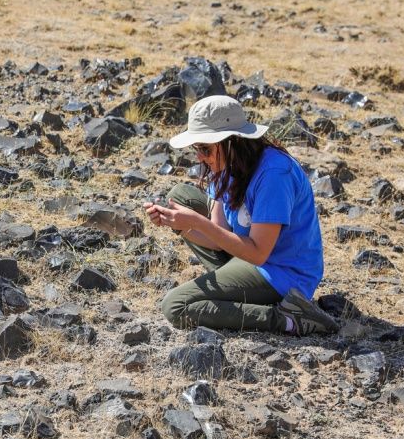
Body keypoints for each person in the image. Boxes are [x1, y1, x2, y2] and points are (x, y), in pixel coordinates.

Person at [143, 95, 339, 335]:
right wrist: (179, 225)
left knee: (176, 306)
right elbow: (218, 237)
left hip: (282, 274)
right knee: (181, 196)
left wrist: (196, 222)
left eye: (205, 149)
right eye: (197, 149)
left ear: (232, 141)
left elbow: (258, 253)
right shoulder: (226, 165)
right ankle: (234, 289)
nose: (199, 157)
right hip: (247, 258)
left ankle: (287, 318)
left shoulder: (275, 174)